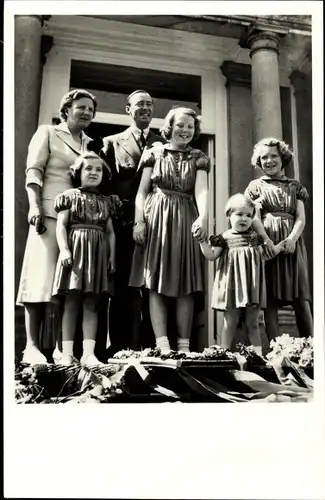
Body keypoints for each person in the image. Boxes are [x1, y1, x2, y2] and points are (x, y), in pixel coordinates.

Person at [16, 89, 97, 364]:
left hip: (77, 222)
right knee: (39, 280)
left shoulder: (89, 144)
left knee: (64, 286)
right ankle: (32, 346)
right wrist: (35, 205)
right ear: (66, 109)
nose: (86, 112)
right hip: (48, 214)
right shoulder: (48, 132)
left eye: (90, 109)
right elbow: (33, 171)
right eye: (81, 107)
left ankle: (61, 349)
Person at [129, 106, 209, 353]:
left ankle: (184, 346)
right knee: (155, 281)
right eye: (181, 125)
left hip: (186, 216)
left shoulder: (199, 157)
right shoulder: (154, 152)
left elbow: (202, 190)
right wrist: (139, 221)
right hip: (156, 217)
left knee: (186, 282)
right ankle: (162, 344)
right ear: (170, 126)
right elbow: (142, 191)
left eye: (190, 126)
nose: (185, 130)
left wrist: (204, 217)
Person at [100, 89, 164, 353]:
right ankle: (119, 348)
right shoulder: (111, 142)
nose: (146, 108)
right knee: (123, 287)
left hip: (158, 223)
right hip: (123, 224)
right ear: (128, 109)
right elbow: (103, 182)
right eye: (140, 104)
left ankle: (152, 348)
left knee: (154, 287)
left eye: (150, 104)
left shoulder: (165, 141)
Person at [195, 193, 284, 356]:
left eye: (249, 215)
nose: (244, 219)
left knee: (253, 322)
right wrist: (202, 242)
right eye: (239, 214)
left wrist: (278, 247)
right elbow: (211, 256)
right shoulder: (223, 238)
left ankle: (257, 357)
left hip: (252, 286)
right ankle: (224, 353)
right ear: (229, 215)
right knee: (230, 321)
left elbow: (264, 255)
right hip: (232, 286)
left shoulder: (255, 238)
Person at [52, 152, 119, 366]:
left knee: (92, 303)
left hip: (98, 254)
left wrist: (112, 256)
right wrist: (64, 250)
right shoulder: (69, 196)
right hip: (76, 251)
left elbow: (109, 232)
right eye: (88, 168)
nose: (93, 172)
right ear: (78, 172)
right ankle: (67, 353)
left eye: (98, 170)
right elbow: (61, 225)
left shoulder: (105, 201)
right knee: (72, 301)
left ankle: (88, 353)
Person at [245, 137, 313, 341]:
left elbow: (300, 218)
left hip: (292, 244)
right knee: (270, 299)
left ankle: (311, 348)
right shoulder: (255, 186)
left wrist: (291, 239)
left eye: (273, 155)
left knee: (301, 298)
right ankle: (276, 348)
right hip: (268, 243)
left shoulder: (295, 186)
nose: (269, 160)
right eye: (263, 157)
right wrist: (266, 242)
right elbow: (253, 217)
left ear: (283, 158)